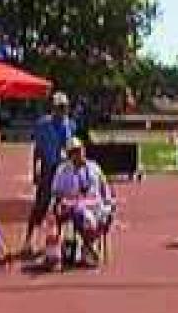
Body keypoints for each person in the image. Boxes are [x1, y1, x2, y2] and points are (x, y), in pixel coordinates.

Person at [45, 137, 115, 268]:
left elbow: (105, 189)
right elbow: (56, 192)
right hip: (70, 205)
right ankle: (53, 255)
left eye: (80, 150)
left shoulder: (94, 167)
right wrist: (58, 203)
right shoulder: (62, 170)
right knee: (53, 219)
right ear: (69, 154)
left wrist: (109, 205)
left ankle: (88, 249)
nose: (79, 153)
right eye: (75, 151)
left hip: (93, 206)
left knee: (85, 216)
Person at [22, 91, 76, 256]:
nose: (62, 111)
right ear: (53, 108)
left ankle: (57, 240)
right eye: (59, 107)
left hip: (62, 167)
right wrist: (35, 169)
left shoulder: (70, 125)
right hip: (48, 166)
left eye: (64, 107)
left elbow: (70, 147)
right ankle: (28, 240)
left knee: (61, 206)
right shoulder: (43, 124)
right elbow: (37, 149)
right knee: (41, 205)